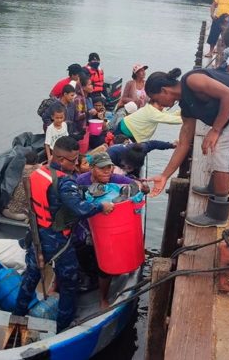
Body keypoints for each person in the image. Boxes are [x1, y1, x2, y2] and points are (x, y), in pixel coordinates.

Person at [146, 68, 229, 227]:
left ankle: (217, 215)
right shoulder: (186, 107)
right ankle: (213, 187)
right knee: (214, 146)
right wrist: (164, 176)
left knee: (223, 150)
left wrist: (215, 130)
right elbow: (183, 143)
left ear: (164, 90)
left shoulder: (192, 80)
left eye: (155, 99)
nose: (157, 104)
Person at [13, 136, 114, 332]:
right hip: (58, 240)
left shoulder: (38, 173)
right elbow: (81, 209)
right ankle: (63, 326)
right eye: (74, 160)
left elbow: (54, 197)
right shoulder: (65, 182)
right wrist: (102, 206)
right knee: (69, 282)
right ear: (60, 159)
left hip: (37, 234)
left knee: (31, 277)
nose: (77, 163)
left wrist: (80, 190)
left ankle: (17, 315)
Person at [75, 153, 149, 308]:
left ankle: (103, 298)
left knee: (105, 266)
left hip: (108, 230)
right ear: (93, 169)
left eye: (109, 167)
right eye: (102, 168)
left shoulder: (116, 179)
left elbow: (134, 185)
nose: (107, 171)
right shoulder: (81, 181)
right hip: (86, 226)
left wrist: (143, 187)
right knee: (77, 252)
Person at [1, 150, 40, 221]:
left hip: (14, 208)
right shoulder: (39, 170)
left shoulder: (18, 169)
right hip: (28, 208)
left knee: (5, 211)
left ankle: (22, 215)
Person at [107, 139, 176, 178]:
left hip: (129, 163)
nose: (129, 170)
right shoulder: (112, 154)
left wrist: (171, 145)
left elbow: (154, 144)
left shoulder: (142, 148)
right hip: (114, 164)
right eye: (129, 167)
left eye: (132, 168)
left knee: (134, 176)